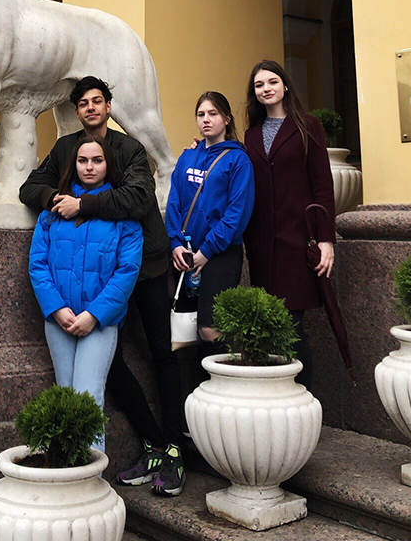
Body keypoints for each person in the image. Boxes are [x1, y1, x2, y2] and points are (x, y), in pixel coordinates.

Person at [20, 76, 187, 496]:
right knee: (109, 365)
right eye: (83, 103)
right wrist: (58, 202)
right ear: (76, 111)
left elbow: (139, 199)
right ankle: (152, 443)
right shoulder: (65, 148)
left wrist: (84, 204)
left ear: (109, 107)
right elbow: (30, 188)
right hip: (93, 273)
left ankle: (175, 451)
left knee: (161, 354)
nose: (91, 108)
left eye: (98, 101)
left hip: (143, 266)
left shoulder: (129, 148)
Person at [28, 132, 143, 449]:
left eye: (97, 160)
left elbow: (127, 272)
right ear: (74, 165)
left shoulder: (123, 218)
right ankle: (69, 469)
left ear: (108, 165)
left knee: (88, 397)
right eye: (82, 160)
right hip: (59, 321)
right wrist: (56, 308)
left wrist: (94, 314)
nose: (89, 167)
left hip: (99, 323)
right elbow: (38, 264)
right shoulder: (52, 213)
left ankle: (91, 474)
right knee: (65, 395)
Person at [242, 60, 336, 391]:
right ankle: (279, 399)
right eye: (259, 85)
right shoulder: (251, 134)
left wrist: (326, 239)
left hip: (298, 241)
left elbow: (322, 185)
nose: (266, 88)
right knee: (271, 325)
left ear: (284, 85)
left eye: (272, 81)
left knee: (292, 325)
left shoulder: (308, 126)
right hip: (261, 244)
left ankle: (302, 400)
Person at [165, 91, 254, 369]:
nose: (206, 119)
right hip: (185, 253)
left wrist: (206, 251)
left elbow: (236, 214)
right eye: (201, 114)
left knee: (209, 328)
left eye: (213, 114)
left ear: (226, 118)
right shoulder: (187, 157)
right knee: (185, 329)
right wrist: (175, 243)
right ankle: (196, 392)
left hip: (220, 254)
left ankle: (220, 388)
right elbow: (174, 202)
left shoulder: (238, 160)